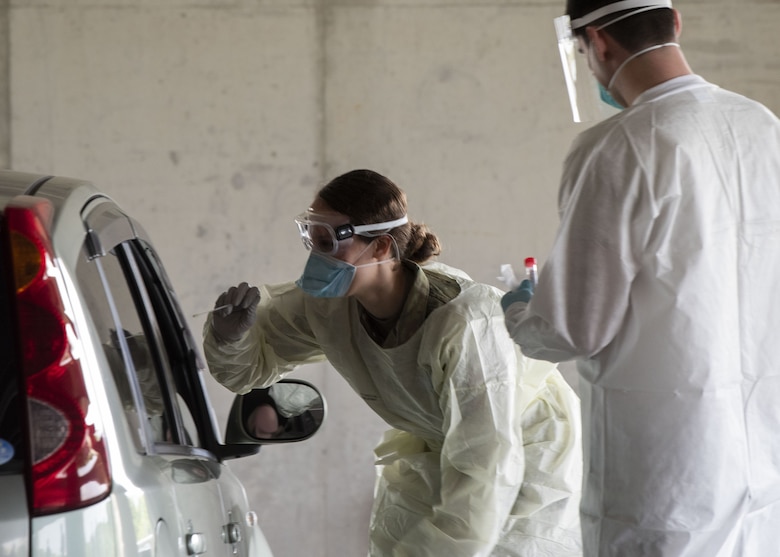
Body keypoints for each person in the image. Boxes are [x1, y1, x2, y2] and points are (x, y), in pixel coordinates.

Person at [501, 1, 780, 555]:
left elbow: (572, 330)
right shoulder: (761, 125)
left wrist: (519, 312)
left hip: (666, 488)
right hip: (762, 473)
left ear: (597, 42)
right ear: (676, 23)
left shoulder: (617, 147)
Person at [203, 169, 583, 556]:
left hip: (525, 453)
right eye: (311, 238)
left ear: (382, 247)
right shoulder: (328, 307)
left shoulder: (465, 323)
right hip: (440, 444)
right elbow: (247, 371)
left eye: (329, 241)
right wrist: (230, 338)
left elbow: (488, 467)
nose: (317, 256)